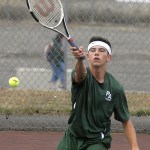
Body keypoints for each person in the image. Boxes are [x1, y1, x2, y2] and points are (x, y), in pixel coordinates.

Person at [57, 36, 139, 150]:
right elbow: (80, 76)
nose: (96, 53)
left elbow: (125, 121)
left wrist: (135, 147)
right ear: (88, 56)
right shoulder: (80, 74)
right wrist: (79, 60)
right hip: (72, 137)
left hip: (96, 141)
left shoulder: (116, 88)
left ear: (108, 57)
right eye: (92, 50)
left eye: (101, 50)